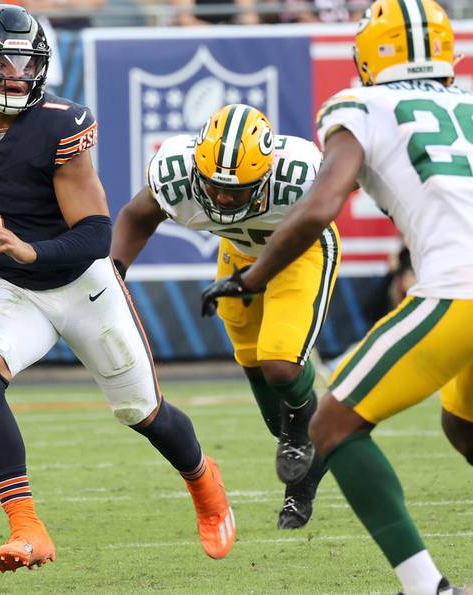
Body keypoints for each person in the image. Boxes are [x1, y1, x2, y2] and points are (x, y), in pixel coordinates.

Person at [0, 3, 234, 573]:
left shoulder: (58, 126)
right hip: (14, 288)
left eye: (26, 62)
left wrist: (31, 249)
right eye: (2, 60)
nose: (16, 74)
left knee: (143, 413)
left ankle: (203, 481)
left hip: (81, 286)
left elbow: (96, 235)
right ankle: (27, 528)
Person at [200, 1, 472, 592]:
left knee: (331, 424)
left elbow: (321, 207)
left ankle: (427, 587)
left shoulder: (362, 105)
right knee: (464, 426)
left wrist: (251, 277)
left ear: (373, 51)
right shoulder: (468, 101)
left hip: (461, 293)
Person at [111, 104, 339, 529]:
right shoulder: (178, 173)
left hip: (299, 253)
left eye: (237, 190)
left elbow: (323, 211)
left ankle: (307, 433)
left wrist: (254, 278)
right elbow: (137, 216)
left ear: (268, 176)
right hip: (239, 256)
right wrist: (114, 275)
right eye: (214, 185)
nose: (221, 197)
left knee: (280, 362)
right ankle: (305, 459)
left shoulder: (301, 176)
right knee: (252, 361)